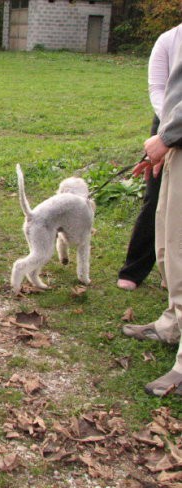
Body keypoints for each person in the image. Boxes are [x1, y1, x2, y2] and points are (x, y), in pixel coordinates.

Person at [123, 37, 182, 396]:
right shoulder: (172, 35)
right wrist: (166, 142)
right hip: (175, 144)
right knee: (168, 242)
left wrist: (167, 136)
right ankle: (172, 324)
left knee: (180, 248)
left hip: (175, 138)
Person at [117, 24, 182, 291]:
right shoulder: (168, 40)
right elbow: (157, 87)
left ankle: (172, 276)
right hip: (167, 122)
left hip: (174, 127)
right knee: (157, 198)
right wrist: (166, 133)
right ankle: (135, 269)